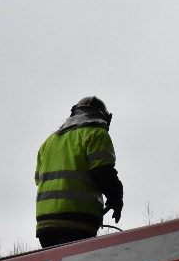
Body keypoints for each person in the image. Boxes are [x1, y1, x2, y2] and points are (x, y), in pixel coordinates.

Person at [35, 96, 124, 248]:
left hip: (45, 225)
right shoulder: (96, 134)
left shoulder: (48, 143)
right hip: (78, 221)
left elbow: (38, 180)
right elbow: (102, 173)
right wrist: (116, 197)